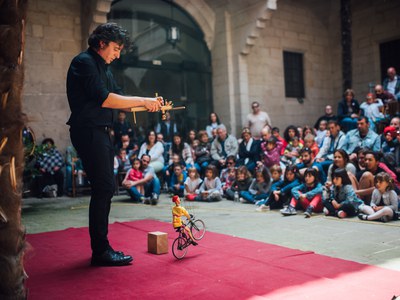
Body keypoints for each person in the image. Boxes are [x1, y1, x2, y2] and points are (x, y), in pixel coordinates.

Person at [66, 23, 162, 266]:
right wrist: (144, 99)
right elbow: (106, 99)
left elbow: (120, 96)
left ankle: (101, 249)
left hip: (100, 132)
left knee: (106, 188)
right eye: (116, 48)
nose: (118, 54)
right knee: (105, 187)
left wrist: (151, 104)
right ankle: (100, 251)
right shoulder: (84, 62)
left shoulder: (104, 68)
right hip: (88, 130)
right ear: (102, 43)